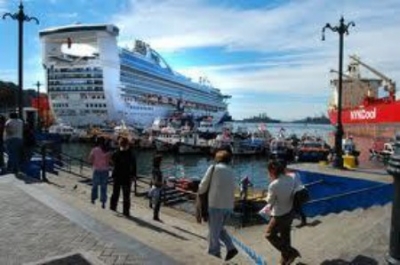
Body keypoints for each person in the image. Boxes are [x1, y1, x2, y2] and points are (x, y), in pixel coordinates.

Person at [198, 150, 238, 261]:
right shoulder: (231, 171)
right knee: (219, 229)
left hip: (216, 205)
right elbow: (234, 188)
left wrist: (201, 195)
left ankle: (214, 254)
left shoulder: (213, 168)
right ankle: (230, 248)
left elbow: (202, 186)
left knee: (214, 232)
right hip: (229, 206)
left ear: (217, 158)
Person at [265, 160, 301, 265]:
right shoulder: (290, 179)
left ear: (272, 171)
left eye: (268, 171)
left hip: (279, 214)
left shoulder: (273, 185)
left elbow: (270, 201)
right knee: (285, 236)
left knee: (269, 234)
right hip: (290, 212)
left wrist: (267, 196)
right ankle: (285, 261)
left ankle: (291, 252)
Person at [110, 137, 136, 217]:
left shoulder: (116, 152)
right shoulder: (131, 154)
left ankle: (113, 207)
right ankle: (126, 211)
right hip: (127, 177)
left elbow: (111, 161)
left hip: (118, 175)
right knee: (126, 195)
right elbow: (134, 166)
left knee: (116, 193)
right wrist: (134, 175)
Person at [88, 136, 111, 209]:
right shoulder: (107, 151)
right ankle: (103, 202)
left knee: (95, 186)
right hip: (105, 170)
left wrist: (94, 162)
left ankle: (93, 199)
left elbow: (90, 160)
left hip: (97, 170)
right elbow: (109, 162)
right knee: (104, 187)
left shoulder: (94, 150)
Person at [149, 154, 163, 221]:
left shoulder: (154, 169)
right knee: (157, 203)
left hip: (154, 187)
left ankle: (155, 215)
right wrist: (163, 184)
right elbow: (156, 181)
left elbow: (152, 179)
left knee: (155, 201)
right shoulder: (158, 171)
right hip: (158, 188)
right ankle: (155, 216)